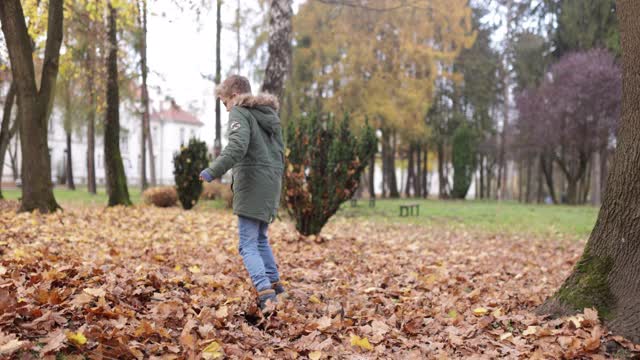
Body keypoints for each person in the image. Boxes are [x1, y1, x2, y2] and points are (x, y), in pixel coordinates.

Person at [199, 75, 286, 313]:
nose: (226, 108)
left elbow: (237, 147)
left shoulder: (240, 112)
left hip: (253, 182)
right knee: (260, 239)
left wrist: (212, 170)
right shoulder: (268, 116)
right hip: (271, 182)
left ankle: (265, 293)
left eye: (224, 102)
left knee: (247, 244)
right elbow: (279, 152)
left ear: (235, 96)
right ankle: (276, 288)